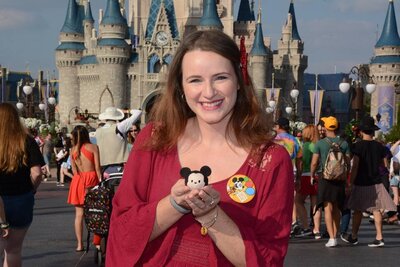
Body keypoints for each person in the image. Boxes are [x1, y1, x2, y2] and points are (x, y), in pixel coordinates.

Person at [106, 30, 294, 266]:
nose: (208, 92)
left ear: (239, 80)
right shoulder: (155, 139)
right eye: (195, 80)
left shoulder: (270, 161)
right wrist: (174, 204)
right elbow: (123, 232)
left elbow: (267, 260)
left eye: (220, 77)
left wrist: (210, 215)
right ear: (181, 87)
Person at [0, 103, 44, 266]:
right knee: (13, 250)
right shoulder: (27, 140)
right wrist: (30, 190)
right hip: (20, 199)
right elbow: (37, 173)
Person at [342, 116, 396, 247]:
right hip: (376, 181)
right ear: (373, 131)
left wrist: (351, 182)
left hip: (361, 181)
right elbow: (386, 160)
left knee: (358, 210)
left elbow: (355, 166)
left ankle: (354, 236)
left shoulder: (357, 146)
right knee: (376, 209)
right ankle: (379, 237)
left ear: (361, 131)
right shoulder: (379, 146)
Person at [310, 116, 351, 248]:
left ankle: (331, 237)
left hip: (325, 177)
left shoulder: (320, 144)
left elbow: (314, 162)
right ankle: (336, 233)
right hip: (339, 178)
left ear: (326, 127)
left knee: (328, 208)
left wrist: (312, 174)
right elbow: (348, 162)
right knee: (337, 208)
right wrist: (346, 176)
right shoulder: (344, 143)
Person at [67, 125, 102, 252]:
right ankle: (97, 242)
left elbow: (74, 170)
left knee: (79, 215)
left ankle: (79, 244)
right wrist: (100, 182)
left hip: (78, 180)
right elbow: (98, 168)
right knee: (96, 212)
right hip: (91, 179)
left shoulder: (73, 150)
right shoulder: (93, 147)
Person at [273, 117, 303, 236]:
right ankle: (292, 222)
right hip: (291, 171)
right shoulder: (295, 140)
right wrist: (299, 177)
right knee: (289, 199)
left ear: (278, 126)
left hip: (277, 173)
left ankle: (280, 224)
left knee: (276, 199)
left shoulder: (274, 140)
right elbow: (300, 159)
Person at [95, 107, 142, 173]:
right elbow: (138, 112)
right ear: (117, 117)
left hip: (103, 169)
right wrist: (126, 111)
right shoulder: (120, 127)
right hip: (119, 168)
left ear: (105, 117)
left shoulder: (98, 131)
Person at [295, 125, 321, 238]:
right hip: (318, 176)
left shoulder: (306, 146)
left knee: (298, 201)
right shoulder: (318, 145)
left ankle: (305, 227)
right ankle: (317, 229)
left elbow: (303, 162)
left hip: (307, 175)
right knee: (316, 204)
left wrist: (298, 178)